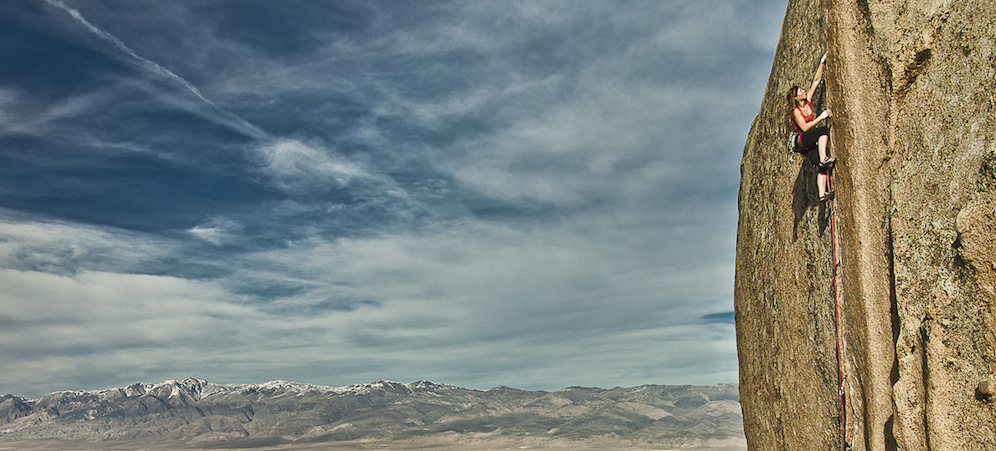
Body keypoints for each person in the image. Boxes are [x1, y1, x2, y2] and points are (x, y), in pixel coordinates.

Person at [788, 52, 834, 202]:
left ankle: (822, 195)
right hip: (802, 140)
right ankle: (823, 157)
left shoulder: (807, 102)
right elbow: (805, 128)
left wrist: (822, 62)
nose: (803, 91)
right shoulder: (796, 111)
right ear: (795, 98)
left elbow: (816, 81)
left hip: (807, 144)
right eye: (800, 91)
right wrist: (821, 117)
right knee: (822, 131)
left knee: (822, 167)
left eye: (802, 89)